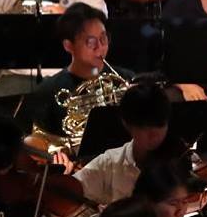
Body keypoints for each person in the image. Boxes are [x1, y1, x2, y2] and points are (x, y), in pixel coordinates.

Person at [75, 78, 177, 207]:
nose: (154, 135)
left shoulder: (184, 158)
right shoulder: (110, 163)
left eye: (160, 125)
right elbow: (69, 192)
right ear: (126, 124)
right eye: (144, 127)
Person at [23, 4, 118, 140]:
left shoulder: (125, 80)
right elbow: (35, 141)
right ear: (68, 46)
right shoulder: (48, 91)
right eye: (90, 42)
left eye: (103, 38)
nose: (100, 47)